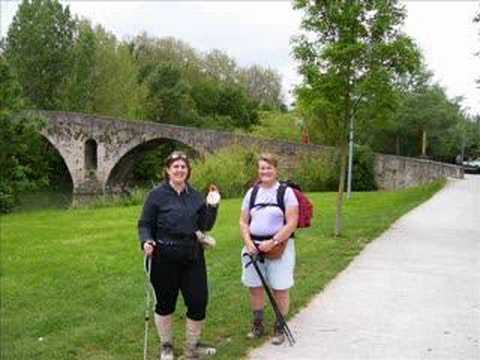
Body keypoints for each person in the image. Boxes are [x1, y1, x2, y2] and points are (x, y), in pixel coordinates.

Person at [138, 150, 221, 360]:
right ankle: (166, 346)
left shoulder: (195, 196)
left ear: (188, 171)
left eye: (183, 167)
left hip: (192, 255)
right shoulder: (156, 195)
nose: (180, 170)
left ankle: (192, 348)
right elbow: (145, 224)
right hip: (164, 257)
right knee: (165, 303)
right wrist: (146, 240)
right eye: (175, 166)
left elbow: (205, 225)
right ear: (168, 170)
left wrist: (212, 206)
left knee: (198, 301)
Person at [239, 153, 299, 345]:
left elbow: (292, 223)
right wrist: (249, 243)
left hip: (279, 247)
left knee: (280, 288)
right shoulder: (252, 192)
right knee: (255, 287)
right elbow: (243, 221)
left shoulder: (285, 192)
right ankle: (258, 325)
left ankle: (279, 327)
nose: (265, 171)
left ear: (276, 170)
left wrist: (272, 242)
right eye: (262, 168)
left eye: (269, 168)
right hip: (254, 247)